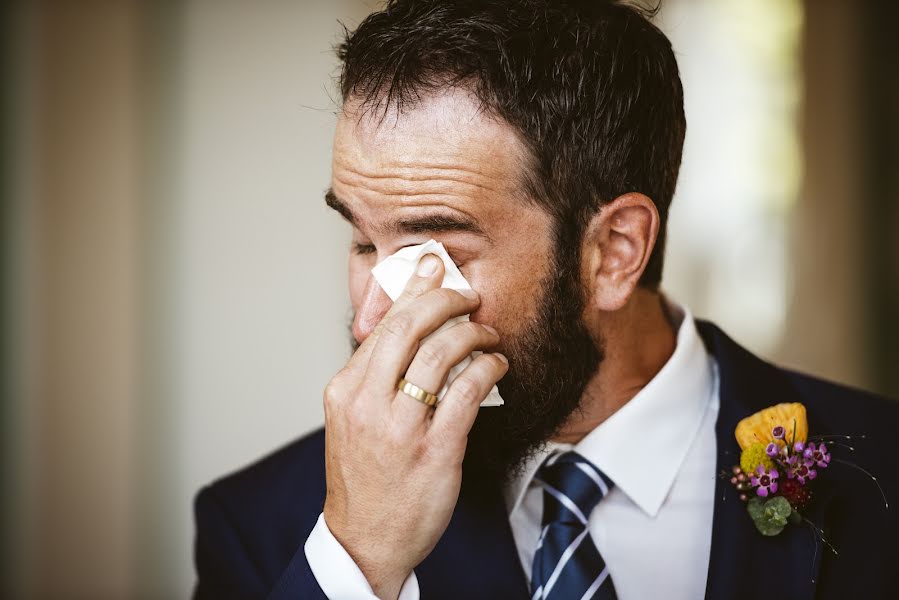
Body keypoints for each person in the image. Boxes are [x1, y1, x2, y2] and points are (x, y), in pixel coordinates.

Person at [192, 1, 899, 598]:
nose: (373, 316)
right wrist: (361, 563)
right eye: (361, 242)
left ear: (614, 251)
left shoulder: (880, 473)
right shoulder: (266, 526)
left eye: (433, 254)